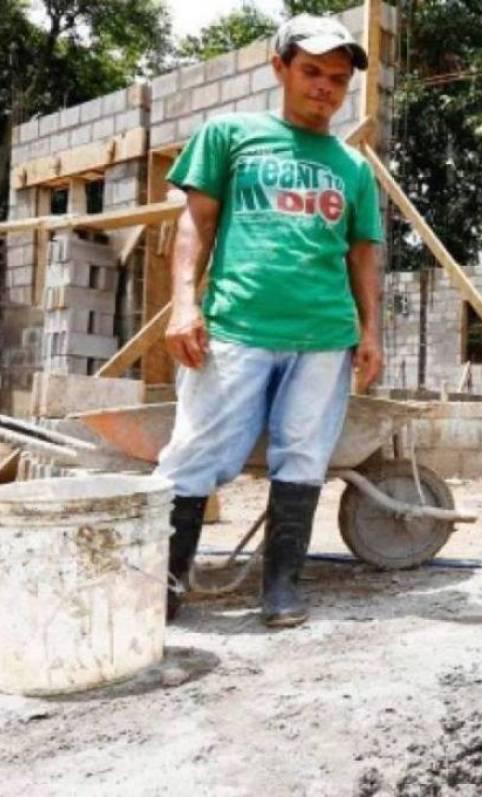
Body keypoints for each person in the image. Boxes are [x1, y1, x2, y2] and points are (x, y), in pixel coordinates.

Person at [156, 14, 384, 628]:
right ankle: (166, 585)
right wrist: (184, 302)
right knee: (195, 454)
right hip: (237, 327)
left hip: (325, 335)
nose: (325, 88)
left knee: (304, 455)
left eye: (337, 79)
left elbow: (362, 251)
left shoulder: (352, 167)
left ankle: (281, 585)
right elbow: (193, 224)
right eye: (311, 72)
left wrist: (370, 331)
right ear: (279, 66)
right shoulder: (230, 134)